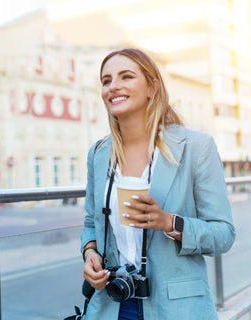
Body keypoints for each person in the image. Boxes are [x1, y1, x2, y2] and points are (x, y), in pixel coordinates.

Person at [81, 48, 236, 319]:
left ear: (152, 86)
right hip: (114, 304)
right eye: (106, 81)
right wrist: (90, 252)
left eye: (126, 77)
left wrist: (170, 223)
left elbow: (223, 234)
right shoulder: (99, 153)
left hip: (177, 308)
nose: (113, 86)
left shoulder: (196, 147)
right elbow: (91, 223)